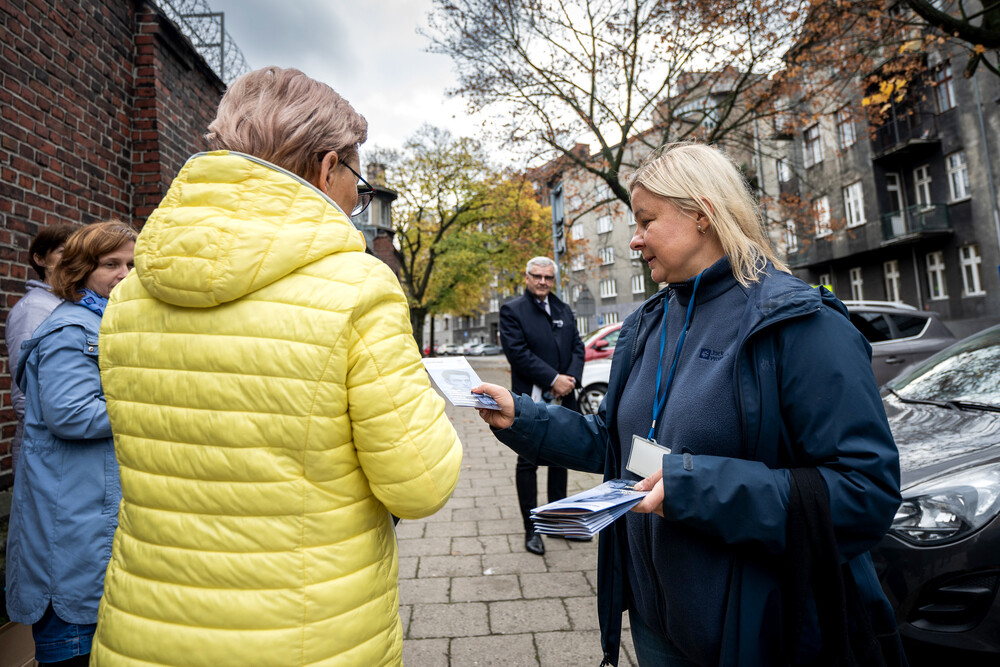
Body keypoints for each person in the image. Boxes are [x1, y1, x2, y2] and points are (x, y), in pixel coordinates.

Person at [89, 67, 463, 666]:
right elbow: (420, 484)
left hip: (146, 629)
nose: (356, 200)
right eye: (357, 182)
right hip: (308, 634)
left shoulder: (130, 297)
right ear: (326, 167)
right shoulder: (358, 289)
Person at [474, 143, 902, 666]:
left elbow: (865, 493)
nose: (634, 240)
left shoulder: (799, 324)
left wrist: (697, 488)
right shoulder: (647, 323)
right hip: (654, 622)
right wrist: (522, 416)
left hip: (758, 636)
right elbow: (616, 443)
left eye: (646, 221)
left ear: (702, 213)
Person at [5, 220, 136, 667]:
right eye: (111, 264)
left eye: (132, 265)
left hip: (87, 511)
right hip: (69, 522)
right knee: (73, 644)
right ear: (80, 269)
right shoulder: (72, 330)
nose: (124, 274)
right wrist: (149, 407)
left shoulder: (103, 321)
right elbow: (71, 414)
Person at [499, 256, 585, 555]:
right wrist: (552, 379)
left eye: (548, 277)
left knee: (560, 459)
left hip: (563, 397)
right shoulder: (513, 310)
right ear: (527, 277)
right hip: (529, 400)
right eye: (537, 276)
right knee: (528, 462)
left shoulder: (562, 308)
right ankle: (532, 529)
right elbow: (517, 353)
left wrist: (570, 378)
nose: (543, 282)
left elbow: (578, 346)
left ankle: (558, 523)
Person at [4, 224, 75, 474]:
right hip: (44, 451)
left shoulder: (68, 304)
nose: (71, 259)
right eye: (63, 252)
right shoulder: (34, 309)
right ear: (40, 259)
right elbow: (24, 392)